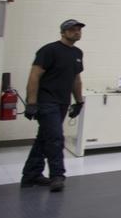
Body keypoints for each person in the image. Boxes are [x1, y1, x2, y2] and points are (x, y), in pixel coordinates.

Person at [21, 19, 86, 192]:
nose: (77, 32)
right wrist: (32, 102)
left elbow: (75, 79)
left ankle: (31, 174)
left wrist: (79, 101)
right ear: (63, 32)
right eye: (72, 30)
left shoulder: (77, 53)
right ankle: (57, 175)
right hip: (46, 101)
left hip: (62, 102)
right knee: (56, 138)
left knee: (45, 138)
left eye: (79, 30)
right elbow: (34, 76)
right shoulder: (49, 50)